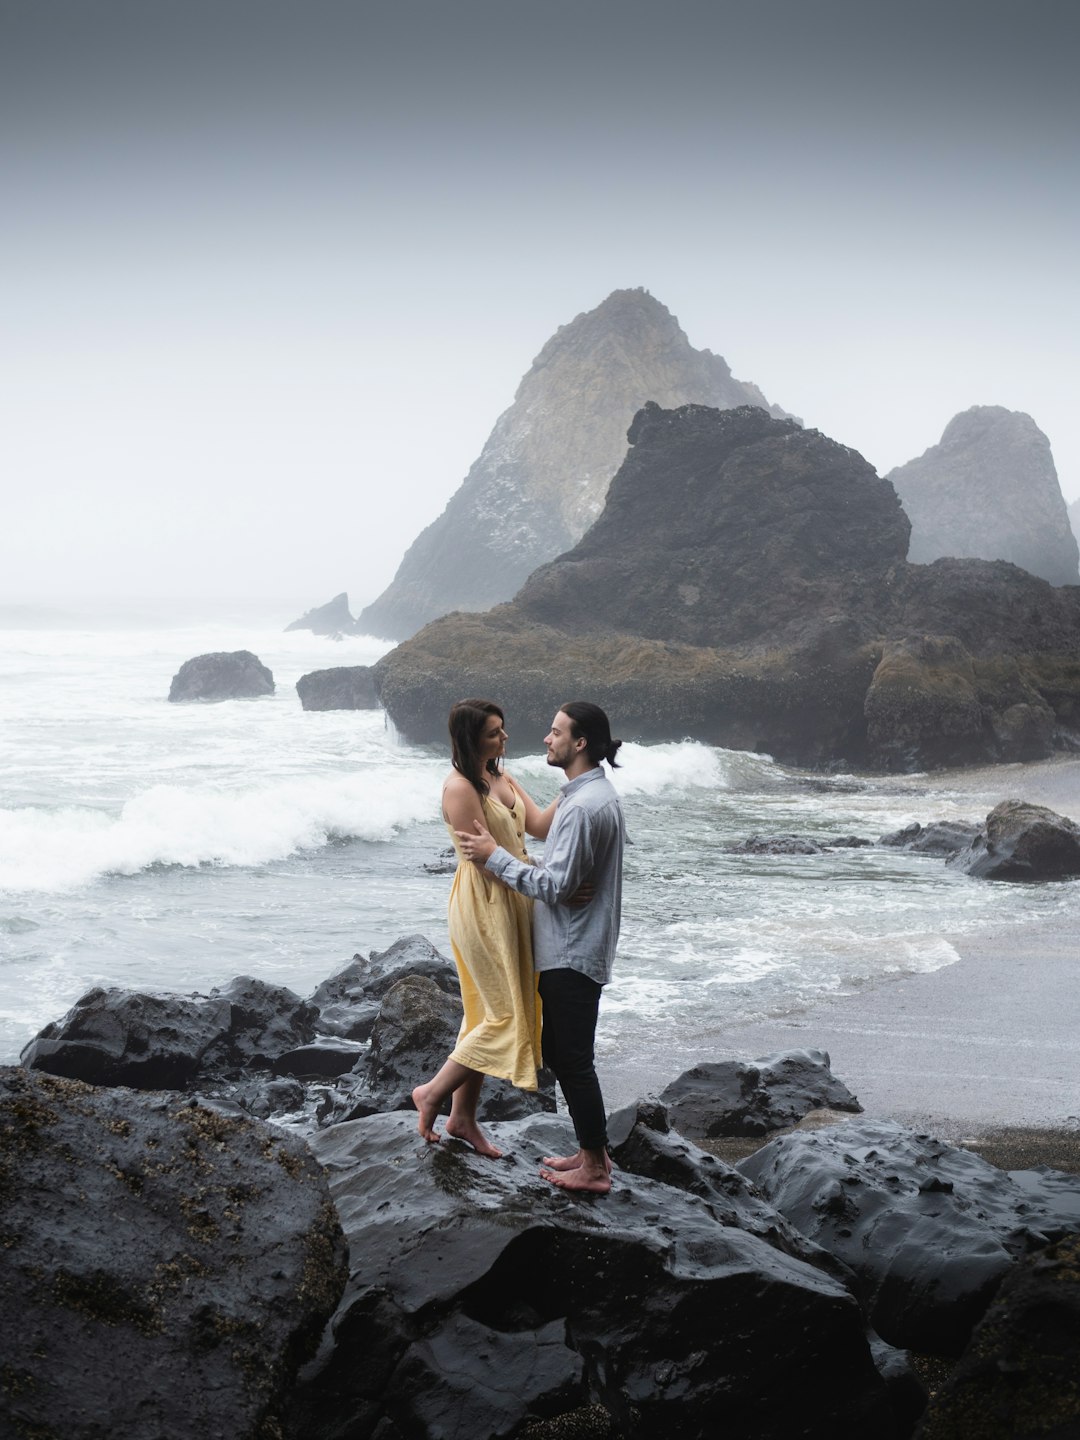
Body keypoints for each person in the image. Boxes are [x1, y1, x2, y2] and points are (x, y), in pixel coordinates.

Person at [456, 701, 625, 1194]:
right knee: (565, 1052)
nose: (545, 739)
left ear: (579, 744)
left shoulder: (586, 806)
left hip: (572, 948)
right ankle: (590, 1152)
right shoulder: (588, 795)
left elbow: (553, 886)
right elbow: (561, 874)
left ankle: (595, 1166)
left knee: (571, 1058)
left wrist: (494, 856)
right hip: (576, 943)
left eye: (555, 733)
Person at [411, 698, 560, 1158]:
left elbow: (536, 826)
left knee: (485, 1014)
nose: (504, 738)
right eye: (495, 732)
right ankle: (432, 1093)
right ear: (472, 738)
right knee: (504, 1015)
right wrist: (535, 881)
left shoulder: (502, 777)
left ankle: (463, 1118)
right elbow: (484, 862)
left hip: (514, 896)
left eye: (503, 729)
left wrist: (578, 786)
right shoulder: (460, 788)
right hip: (484, 904)